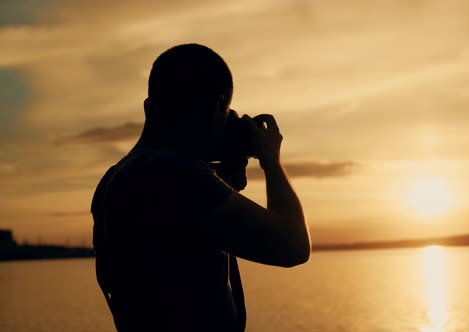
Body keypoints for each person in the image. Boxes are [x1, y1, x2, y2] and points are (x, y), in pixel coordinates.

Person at [91, 43, 311, 332]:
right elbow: (292, 247)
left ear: (150, 106)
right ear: (219, 104)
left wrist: (221, 179)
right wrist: (270, 160)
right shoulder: (174, 175)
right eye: (226, 111)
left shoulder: (115, 178)